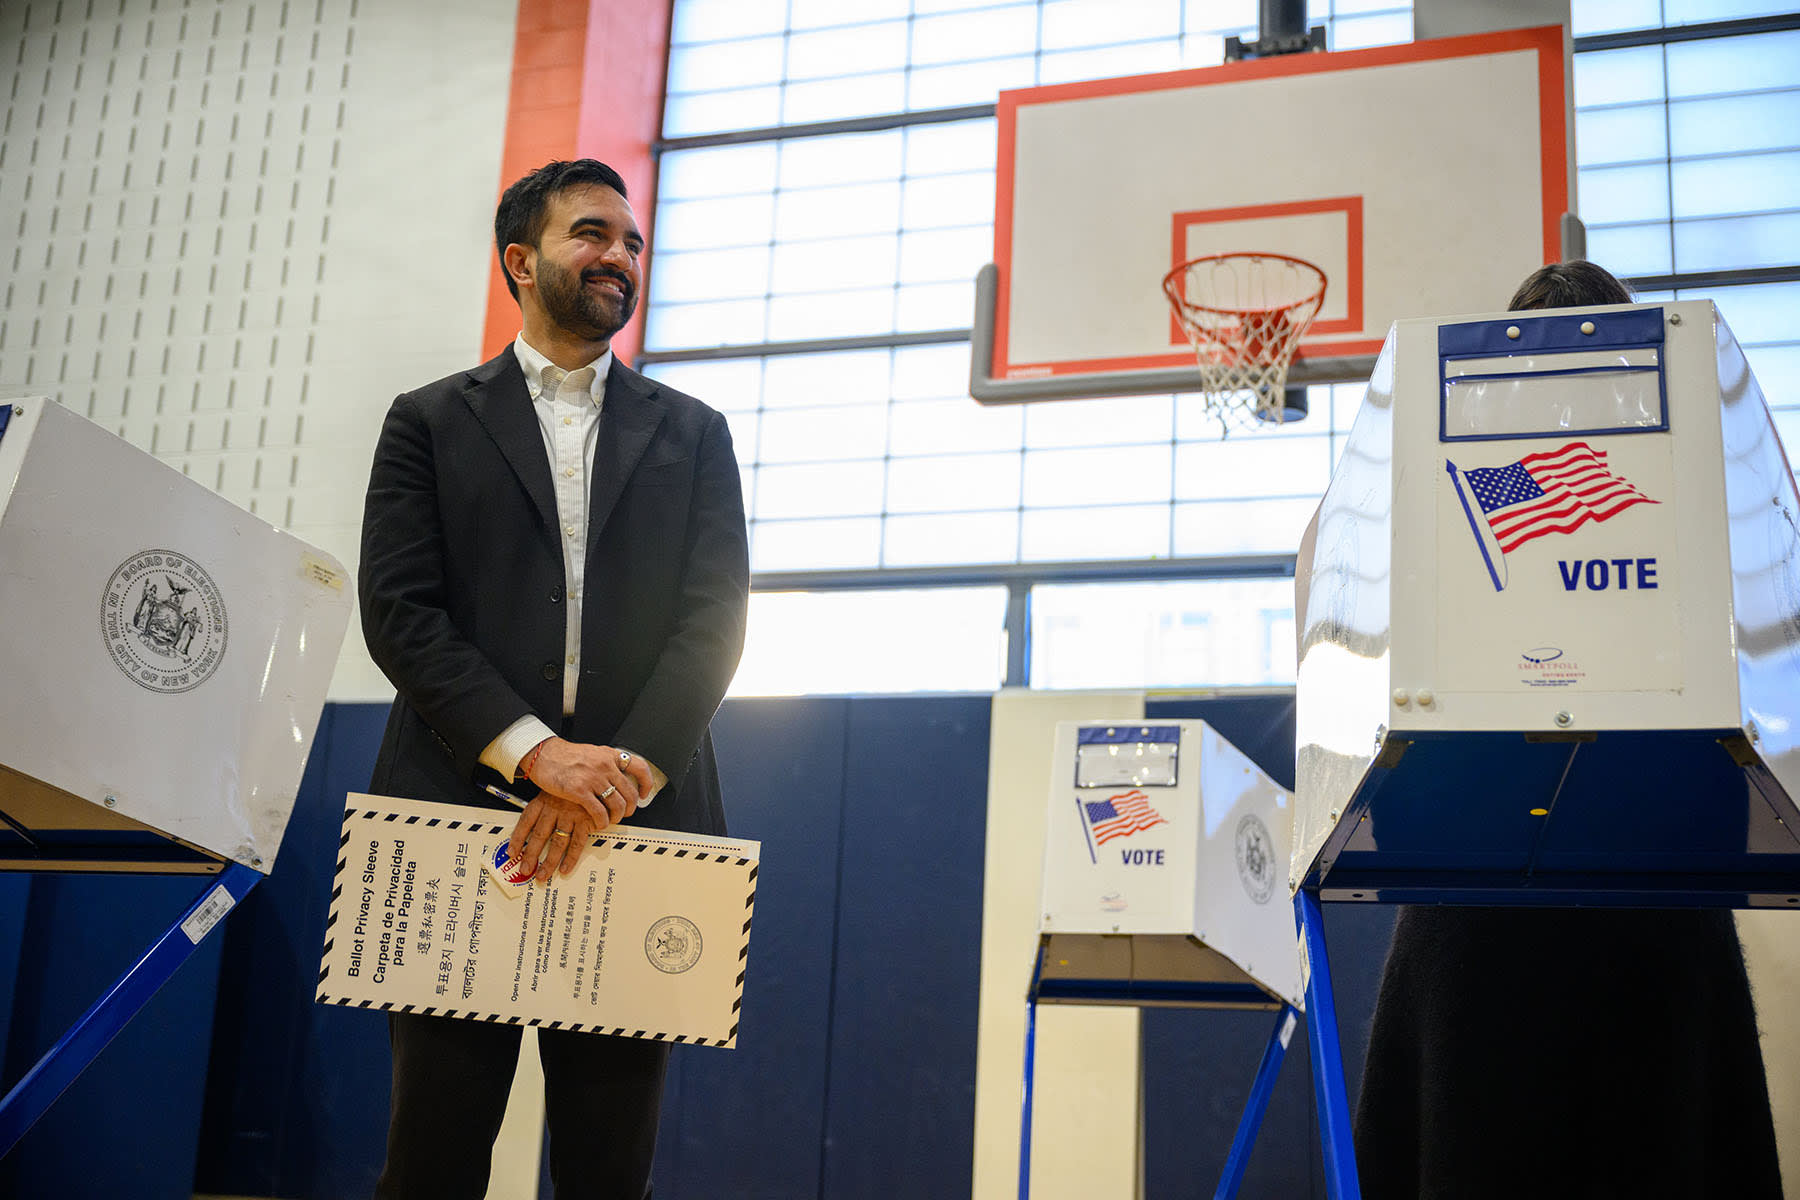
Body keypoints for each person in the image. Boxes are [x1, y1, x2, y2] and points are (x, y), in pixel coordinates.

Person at [358, 158, 749, 1199]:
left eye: (630, 241)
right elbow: (400, 612)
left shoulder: (696, 433)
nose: (618, 255)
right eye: (592, 234)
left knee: (608, 1169)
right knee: (431, 1159)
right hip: (456, 819)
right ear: (521, 262)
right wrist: (539, 758)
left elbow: (714, 623)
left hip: (641, 826)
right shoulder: (427, 422)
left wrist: (611, 781)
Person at [1352, 260, 1783, 1198]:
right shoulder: (1707, 495)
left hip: (1472, 938)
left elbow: (1387, 810)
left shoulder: (1425, 500)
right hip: (1653, 933)